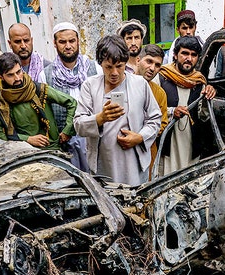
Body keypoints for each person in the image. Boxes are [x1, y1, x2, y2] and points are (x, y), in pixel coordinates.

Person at [74, 35, 161, 186]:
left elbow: (155, 119)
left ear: (126, 62)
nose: (114, 72)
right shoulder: (90, 86)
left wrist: (140, 137)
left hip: (134, 164)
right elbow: (78, 124)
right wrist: (100, 118)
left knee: (135, 204)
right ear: (100, 63)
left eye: (119, 66)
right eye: (109, 67)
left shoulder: (140, 84)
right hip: (103, 165)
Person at [40, 22, 101, 171]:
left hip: (93, 139)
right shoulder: (45, 75)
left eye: (71, 41)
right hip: (65, 143)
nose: (68, 46)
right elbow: (45, 112)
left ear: (78, 42)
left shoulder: (94, 68)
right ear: (55, 43)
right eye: (62, 42)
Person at [0, 53, 77, 149]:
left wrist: (67, 130)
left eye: (18, 72)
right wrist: (28, 139)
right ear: (1, 77)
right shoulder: (2, 100)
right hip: (23, 153)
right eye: (10, 75)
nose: (17, 78)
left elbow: (72, 103)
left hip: (52, 150)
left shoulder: (38, 90)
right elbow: (0, 133)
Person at [159, 36, 216, 174]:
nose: (189, 58)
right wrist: (172, 112)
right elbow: (150, 111)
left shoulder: (199, 81)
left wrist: (209, 97)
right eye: (184, 53)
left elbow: (203, 116)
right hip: (169, 144)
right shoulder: (162, 76)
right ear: (175, 54)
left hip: (190, 143)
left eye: (193, 55)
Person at [135, 44, 168, 178]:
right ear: (138, 60)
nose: (152, 68)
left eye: (157, 65)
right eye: (149, 61)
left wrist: (141, 136)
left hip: (147, 148)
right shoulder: (121, 84)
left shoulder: (159, 93)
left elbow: (162, 123)